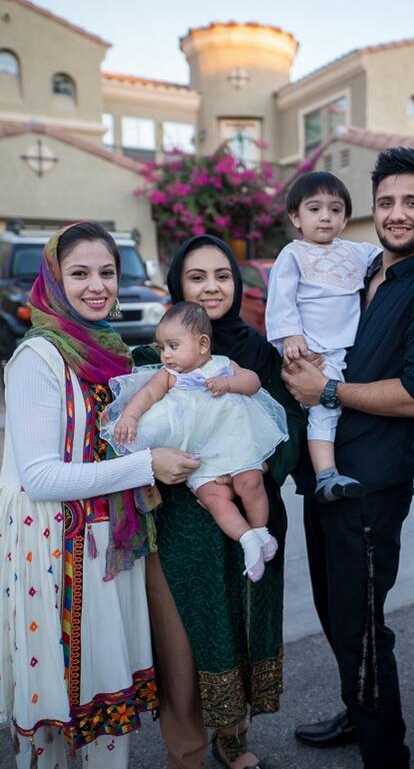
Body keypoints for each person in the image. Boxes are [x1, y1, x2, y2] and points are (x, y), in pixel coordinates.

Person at [283, 148, 414, 769]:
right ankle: (358, 709)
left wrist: (326, 391)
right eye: (386, 201)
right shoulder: (361, 268)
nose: (397, 213)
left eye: (412, 202)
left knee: (360, 620)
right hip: (323, 471)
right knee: (335, 610)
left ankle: (385, 750)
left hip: (371, 483)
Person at [0, 222, 199, 769]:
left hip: (110, 545)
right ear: (53, 279)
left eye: (107, 272)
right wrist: (147, 466)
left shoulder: (111, 352)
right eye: (80, 273)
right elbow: (41, 477)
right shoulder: (38, 358)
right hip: (57, 553)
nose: (97, 286)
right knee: (60, 703)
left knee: (108, 700)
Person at [134, 235, 305, 769]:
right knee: (182, 640)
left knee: (241, 625)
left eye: (222, 275)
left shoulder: (258, 352)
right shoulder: (156, 354)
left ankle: (233, 736)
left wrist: (258, 467)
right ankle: (185, 752)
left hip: (250, 506)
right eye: (197, 277)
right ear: (176, 286)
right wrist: (159, 461)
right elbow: (134, 433)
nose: (212, 287)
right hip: (181, 520)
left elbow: (291, 422)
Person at [102, 301, 287, 582]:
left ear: (202, 344)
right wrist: (129, 416)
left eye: (173, 346)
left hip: (234, 445)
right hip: (199, 455)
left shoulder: (223, 365)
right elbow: (147, 395)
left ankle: (261, 531)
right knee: (214, 499)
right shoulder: (169, 376)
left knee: (250, 483)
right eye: (162, 347)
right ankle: (247, 539)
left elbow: (253, 383)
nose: (165, 355)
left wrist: (230, 383)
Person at [266, 171, 381, 503]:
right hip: (312, 347)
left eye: (335, 210)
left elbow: (387, 258)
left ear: (345, 218)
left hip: (347, 347)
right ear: (296, 217)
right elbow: (281, 298)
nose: (326, 217)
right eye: (315, 209)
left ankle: (329, 471)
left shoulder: (356, 251)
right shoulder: (293, 254)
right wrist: (290, 335)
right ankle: (326, 474)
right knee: (324, 409)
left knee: (341, 408)